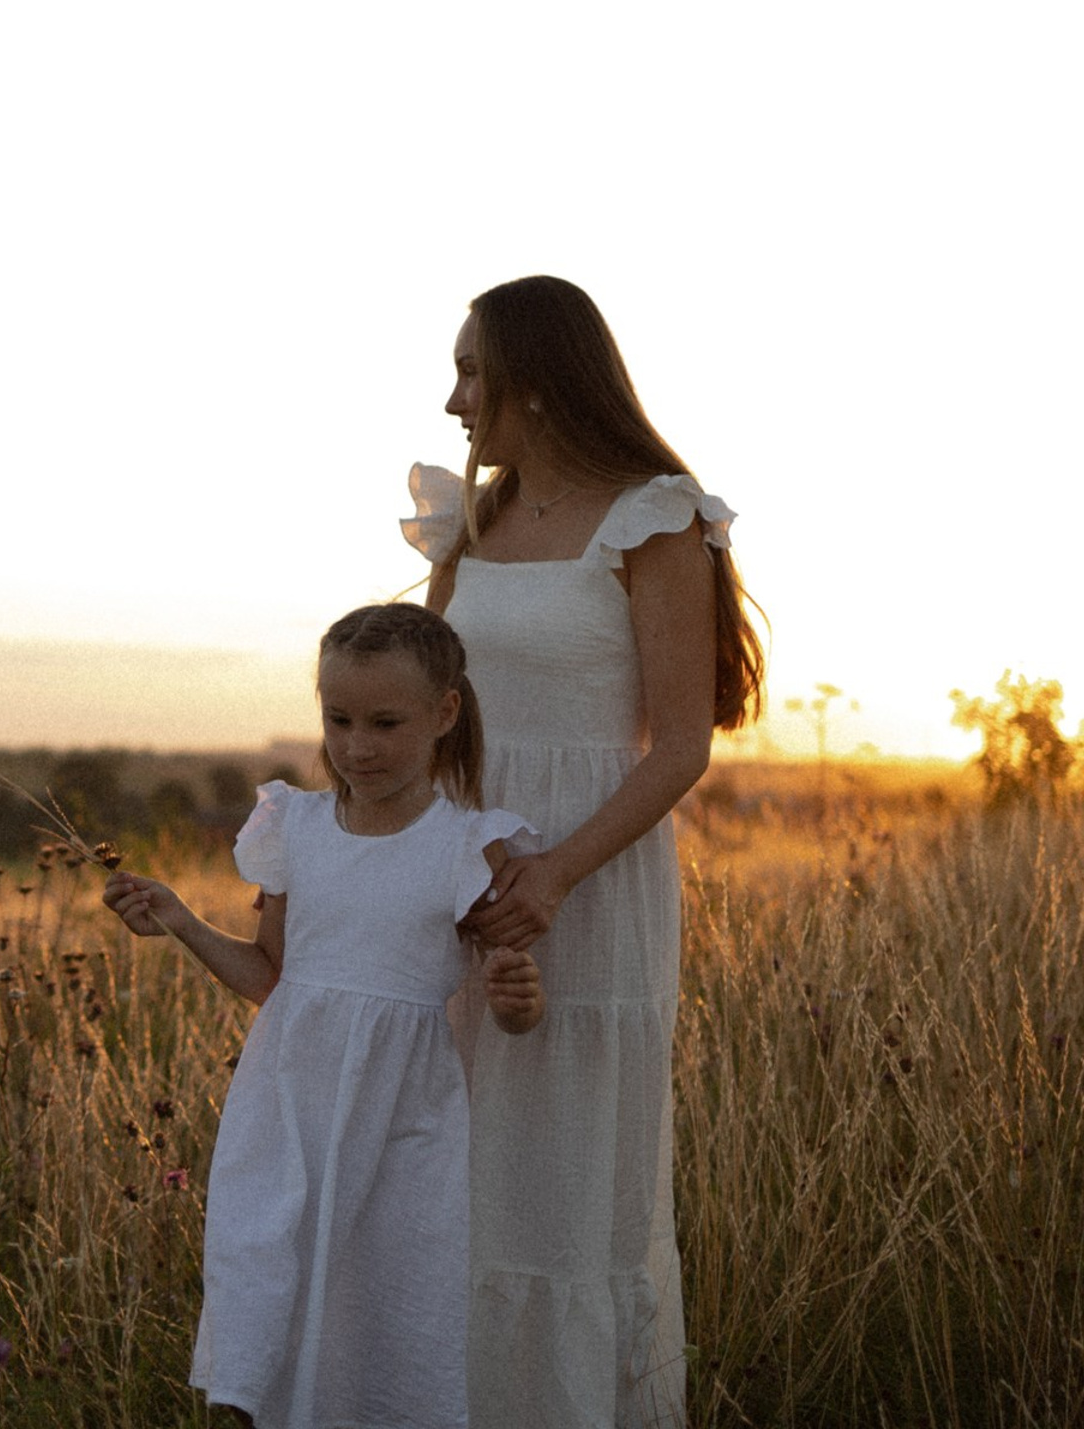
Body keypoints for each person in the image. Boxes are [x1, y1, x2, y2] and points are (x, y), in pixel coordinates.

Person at [403, 273, 765, 1429]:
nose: (455, 399)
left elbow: (680, 747)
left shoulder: (652, 517)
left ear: (542, 381)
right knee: (451, 1172)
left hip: (587, 885)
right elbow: (431, 710)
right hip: (459, 875)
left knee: (563, 1184)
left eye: (474, 371)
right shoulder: (476, 518)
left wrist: (554, 873)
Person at [104, 602, 545, 1429]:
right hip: (287, 1109)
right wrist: (182, 922)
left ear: (444, 714)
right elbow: (272, 976)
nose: (357, 745)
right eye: (338, 719)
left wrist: (522, 1003)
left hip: (404, 1121)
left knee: (389, 1305)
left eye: (385, 721)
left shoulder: (465, 844)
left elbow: (506, 1000)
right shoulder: (295, 828)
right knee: (271, 1286)